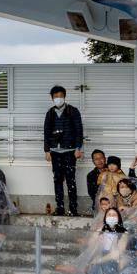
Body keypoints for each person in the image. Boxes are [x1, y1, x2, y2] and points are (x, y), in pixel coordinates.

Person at [43, 85, 83, 216]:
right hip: (55, 152)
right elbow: (46, 132)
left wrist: (78, 148)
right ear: (52, 98)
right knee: (57, 180)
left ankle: (73, 209)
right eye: (56, 97)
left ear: (64, 97)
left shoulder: (73, 111)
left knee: (71, 180)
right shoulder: (50, 113)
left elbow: (79, 130)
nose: (58, 99)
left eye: (60, 96)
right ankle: (60, 208)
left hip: (70, 151)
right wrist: (47, 150)